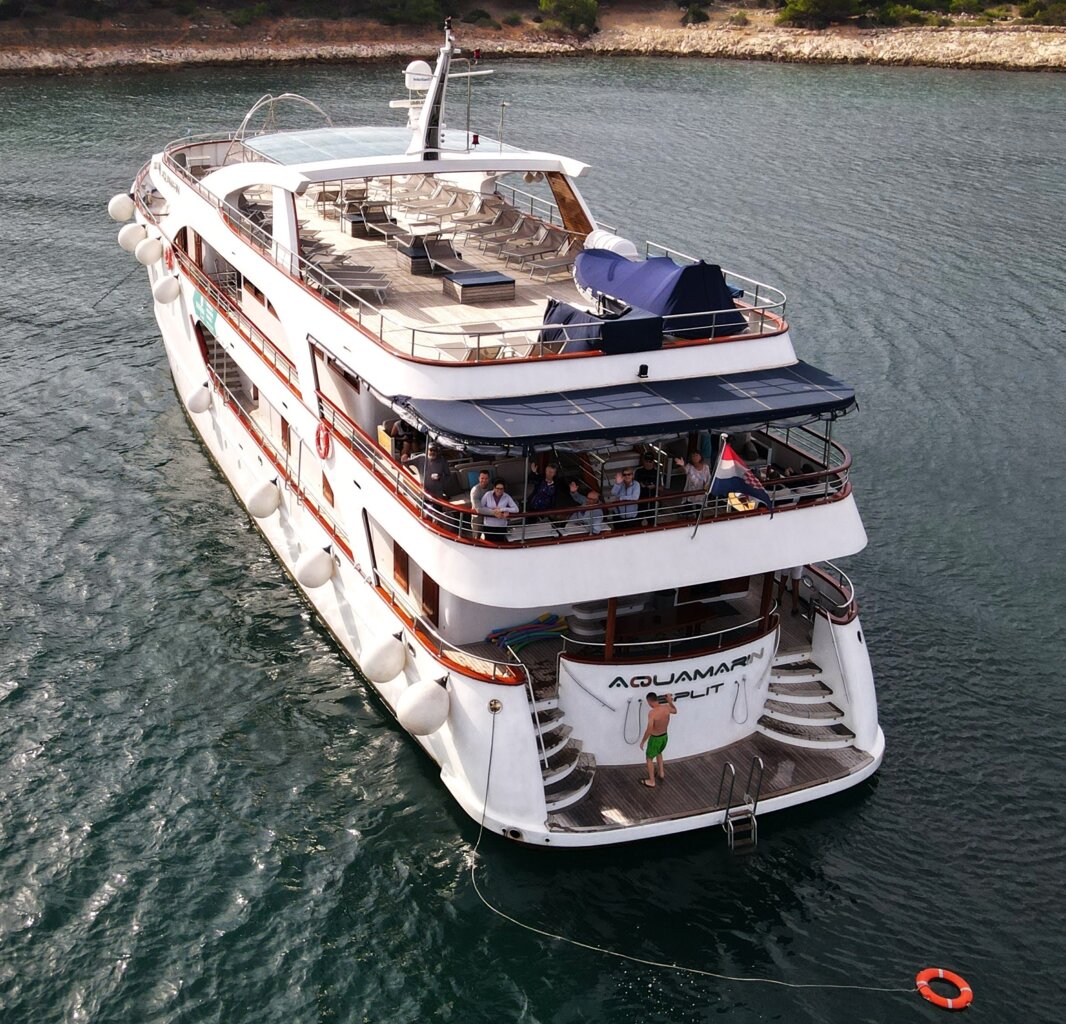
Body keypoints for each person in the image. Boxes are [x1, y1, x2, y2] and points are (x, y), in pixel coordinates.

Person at [639, 692, 677, 788]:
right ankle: (661, 773)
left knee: (649, 758)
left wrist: (643, 741)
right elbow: (675, 711)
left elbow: (649, 729)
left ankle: (652, 781)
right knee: (659, 752)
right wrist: (670, 702)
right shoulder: (666, 708)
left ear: (650, 702)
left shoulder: (652, 713)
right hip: (664, 737)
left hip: (655, 739)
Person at [469, 469, 492, 539]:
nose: (484, 480)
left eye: (486, 478)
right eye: (482, 478)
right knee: (476, 537)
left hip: (489, 517)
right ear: (479, 478)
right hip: (478, 517)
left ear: (489, 479)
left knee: (490, 536)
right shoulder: (475, 490)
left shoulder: (492, 487)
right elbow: (478, 509)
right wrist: (493, 512)